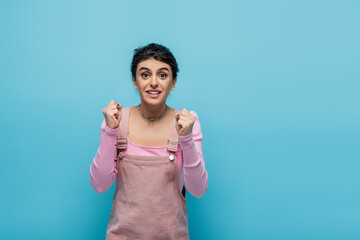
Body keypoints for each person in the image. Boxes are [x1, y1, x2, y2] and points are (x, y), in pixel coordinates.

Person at [90, 43, 208, 239]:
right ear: (134, 81)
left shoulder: (188, 122)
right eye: (145, 75)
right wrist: (110, 131)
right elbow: (99, 185)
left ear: (174, 82)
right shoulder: (116, 120)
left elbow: (198, 190)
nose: (154, 83)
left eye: (162, 75)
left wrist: (186, 138)